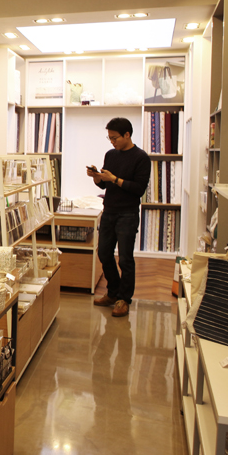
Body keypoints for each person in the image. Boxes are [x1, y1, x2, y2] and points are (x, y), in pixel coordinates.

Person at [86, 118, 150, 317]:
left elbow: (138, 189)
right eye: (110, 138)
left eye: (114, 138)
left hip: (128, 213)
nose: (112, 141)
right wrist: (97, 177)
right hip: (109, 211)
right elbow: (105, 185)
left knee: (125, 258)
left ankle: (124, 299)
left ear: (127, 135)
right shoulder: (110, 155)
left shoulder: (141, 158)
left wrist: (114, 179)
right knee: (104, 253)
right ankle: (113, 292)